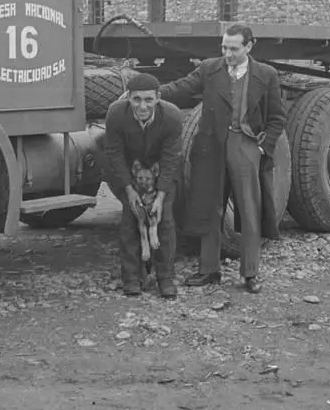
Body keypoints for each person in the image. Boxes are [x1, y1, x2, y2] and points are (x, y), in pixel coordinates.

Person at [156, 23, 286, 294]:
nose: (228, 53)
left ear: (249, 47)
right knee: (209, 206)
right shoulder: (209, 68)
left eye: (234, 48)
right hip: (210, 147)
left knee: (250, 210)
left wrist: (263, 148)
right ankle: (208, 270)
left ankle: (250, 273)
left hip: (245, 147)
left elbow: (277, 118)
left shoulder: (266, 74)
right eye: (224, 47)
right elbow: (182, 87)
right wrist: (153, 92)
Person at [103, 72, 184, 298]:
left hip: (159, 172)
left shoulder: (172, 116)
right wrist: (129, 190)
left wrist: (159, 198)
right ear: (128, 97)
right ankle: (131, 277)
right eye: (137, 99)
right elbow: (114, 154)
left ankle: (165, 277)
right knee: (131, 220)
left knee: (164, 221)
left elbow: (170, 159)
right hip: (130, 173)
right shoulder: (116, 114)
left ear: (158, 97)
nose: (143, 106)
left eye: (148, 100)